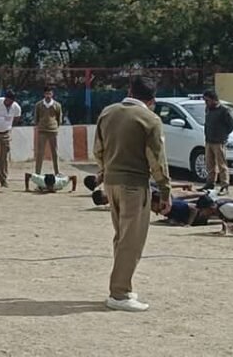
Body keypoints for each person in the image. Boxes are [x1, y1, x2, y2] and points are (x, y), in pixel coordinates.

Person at [93, 75, 171, 312]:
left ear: (129, 91)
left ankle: (122, 285)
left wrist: (104, 171)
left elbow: (98, 149)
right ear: (152, 100)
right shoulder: (150, 120)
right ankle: (119, 292)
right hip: (134, 185)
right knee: (132, 240)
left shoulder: (107, 112)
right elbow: (156, 159)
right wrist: (165, 190)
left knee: (121, 236)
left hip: (111, 181)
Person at [202, 90, 233, 194]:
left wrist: (223, 134)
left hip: (219, 141)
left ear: (214, 100)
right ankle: (210, 184)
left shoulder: (224, 110)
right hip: (209, 140)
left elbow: (232, 124)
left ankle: (224, 185)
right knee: (209, 164)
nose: (206, 103)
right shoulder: (208, 109)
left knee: (222, 165)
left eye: (207, 100)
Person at [0, 90, 22, 188]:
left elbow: (16, 119)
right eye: (7, 100)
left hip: (5, 134)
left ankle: (3, 180)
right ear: (5, 98)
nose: (8, 102)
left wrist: (7, 126)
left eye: (11, 101)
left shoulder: (16, 107)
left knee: (4, 158)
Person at [33, 86, 63, 176]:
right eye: (46, 93)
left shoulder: (57, 105)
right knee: (40, 152)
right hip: (42, 130)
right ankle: (37, 172)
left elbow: (59, 118)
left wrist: (56, 126)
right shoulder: (39, 105)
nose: (48, 95)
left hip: (53, 130)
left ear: (52, 94)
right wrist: (38, 125)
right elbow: (36, 117)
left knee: (55, 152)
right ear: (44, 94)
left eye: (50, 93)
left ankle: (57, 172)